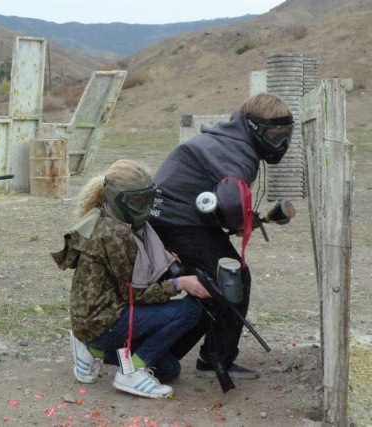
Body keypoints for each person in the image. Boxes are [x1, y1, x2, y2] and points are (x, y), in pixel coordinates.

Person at [147, 92, 295, 384]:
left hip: (174, 216)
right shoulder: (238, 151)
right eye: (273, 134)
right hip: (177, 221)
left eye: (283, 135)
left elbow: (224, 196)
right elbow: (229, 200)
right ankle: (212, 358)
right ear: (254, 128)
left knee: (215, 285)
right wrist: (240, 222)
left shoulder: (232, 140)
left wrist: (239, 219)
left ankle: (197, 353)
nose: (279, 143)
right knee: (232, 281)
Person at [51, 159, 211, 399]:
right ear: (118, 198)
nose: (144, 208)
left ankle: (93, 350)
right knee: (190, 310)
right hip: (104, 321)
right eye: (137, 202)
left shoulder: (109, 218)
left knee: (168, 370)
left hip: (97, 317)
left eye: (147, 199)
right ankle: (130, 371)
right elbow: (134, 295)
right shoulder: (115, 233)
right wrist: (178, 284)